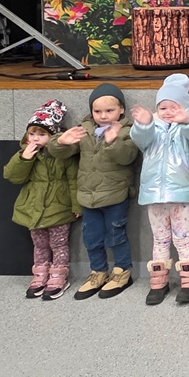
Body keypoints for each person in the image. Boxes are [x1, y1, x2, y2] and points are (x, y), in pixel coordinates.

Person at [48, 83, 139, 300]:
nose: (103, 116)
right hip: (88, 197)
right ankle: (98, 272)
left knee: (116, 236)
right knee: (91, 238)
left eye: (109, 110)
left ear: (121, 109)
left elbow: (127, 157)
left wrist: (113, 141)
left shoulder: (127, 131)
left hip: (115, 195)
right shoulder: (84, 130)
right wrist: (60, 142)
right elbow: (60, 152)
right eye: (97, 111)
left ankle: (122, 272)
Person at [130, 73, 189, 306]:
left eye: (175, 107)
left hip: (181, 193)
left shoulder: (188, 126)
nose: (168, 112)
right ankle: (159, 282)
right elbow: (140, 140)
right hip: (153, 194)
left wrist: (187, 120)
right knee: (160, 238)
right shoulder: (152, 127)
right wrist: (143, 124)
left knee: (183, 237)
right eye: (163, 107)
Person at [3, 99, 79, 301]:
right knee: (40, 244)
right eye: (32, 133)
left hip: (59, 207)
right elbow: (12, 176)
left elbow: (73, 180)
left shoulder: (63, 155)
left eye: (42, 134)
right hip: (34, 208)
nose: (35, 138)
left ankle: (58, 276)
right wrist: (24, 159)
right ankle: (40, 275)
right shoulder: (26, 153)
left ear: (53, 136)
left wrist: (76, 205)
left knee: (59, 244)